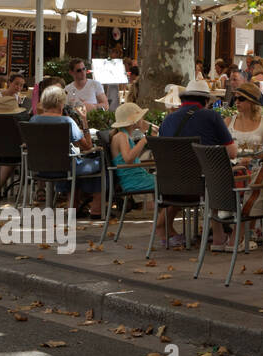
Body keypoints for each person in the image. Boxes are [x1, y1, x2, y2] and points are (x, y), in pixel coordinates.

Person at [160, 77, 239, 249]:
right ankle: (220, 234)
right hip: (201, 187)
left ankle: (164, 226)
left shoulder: (167, 120)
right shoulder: (211, 116)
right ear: (205, 100)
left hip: (169, 187)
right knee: (222, 174)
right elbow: (232, 152)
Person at [31, 85, 103, 218]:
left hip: (40, 168)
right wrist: (84, 120)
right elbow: (87, 147)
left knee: (74, 163)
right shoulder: (67, 121)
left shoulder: (34, 120)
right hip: (66, 168)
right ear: (60, 103)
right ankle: (96, 208)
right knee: (102, 160)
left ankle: (74, 207)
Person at [109, 102, 174, 243]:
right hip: (133, 180)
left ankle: (164, 226)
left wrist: (146, 125)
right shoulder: (121, 136)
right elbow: (128, 158)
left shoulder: (124, 135)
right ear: (132, 121)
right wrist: (144, 140)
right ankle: (161, 227)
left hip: (138, 176)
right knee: (173, 186)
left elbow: (158, 131)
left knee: (171, 184)